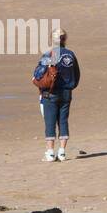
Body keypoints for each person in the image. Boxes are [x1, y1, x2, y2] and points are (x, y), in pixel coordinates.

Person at [33, 28, 80, 162]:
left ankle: (50, 153)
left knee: (50, 122)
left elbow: (39, 74)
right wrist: (71, 85)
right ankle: (62, 152)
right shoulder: (70, 55)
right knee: (63, 121)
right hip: (66, 92)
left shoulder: (51, 54)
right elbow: (77, 74)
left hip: (51, 93)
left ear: (51, 40)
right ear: (64, 39)